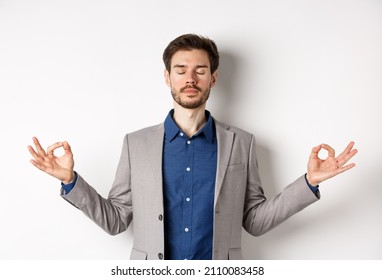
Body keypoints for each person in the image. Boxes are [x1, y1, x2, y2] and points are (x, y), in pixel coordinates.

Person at [28, 34, 358, 260]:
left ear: (213, 78)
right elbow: (116, 220)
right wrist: (71, 181)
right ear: (167, 77)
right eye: (181, 70)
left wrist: (310, 182)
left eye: (200, 70)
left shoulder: (241, 142)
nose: (190, 78)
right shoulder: (136, 143)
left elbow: (255, 221)